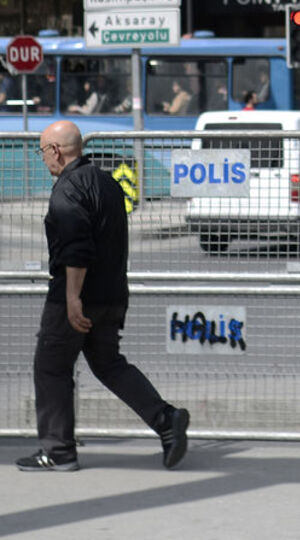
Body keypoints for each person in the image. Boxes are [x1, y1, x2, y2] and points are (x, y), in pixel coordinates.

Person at [15, 121, 190, 471]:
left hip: (77, 297)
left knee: (51, 368)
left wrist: (72, 297)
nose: (42, 158)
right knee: (108, 364)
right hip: (112, 294)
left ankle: (58, 451)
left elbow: (76, 249)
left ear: (56, 151)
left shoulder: (67, 190)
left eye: (42, 151)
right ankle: (165, 419)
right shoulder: (107, 183)